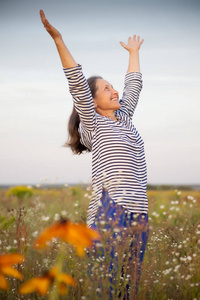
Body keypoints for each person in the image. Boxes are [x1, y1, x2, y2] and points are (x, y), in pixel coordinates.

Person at [40, 9, 149, 299]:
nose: (115, 91)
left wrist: (134, 52)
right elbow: (76, 82)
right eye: (106, 88)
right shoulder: (94, 124)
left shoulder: (124, 118)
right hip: (109, 212)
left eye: (113, 86)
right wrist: (59, 40)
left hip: (139, 214)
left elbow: (134, 85)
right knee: (106, 289)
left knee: (129, 291)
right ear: (93, 101)